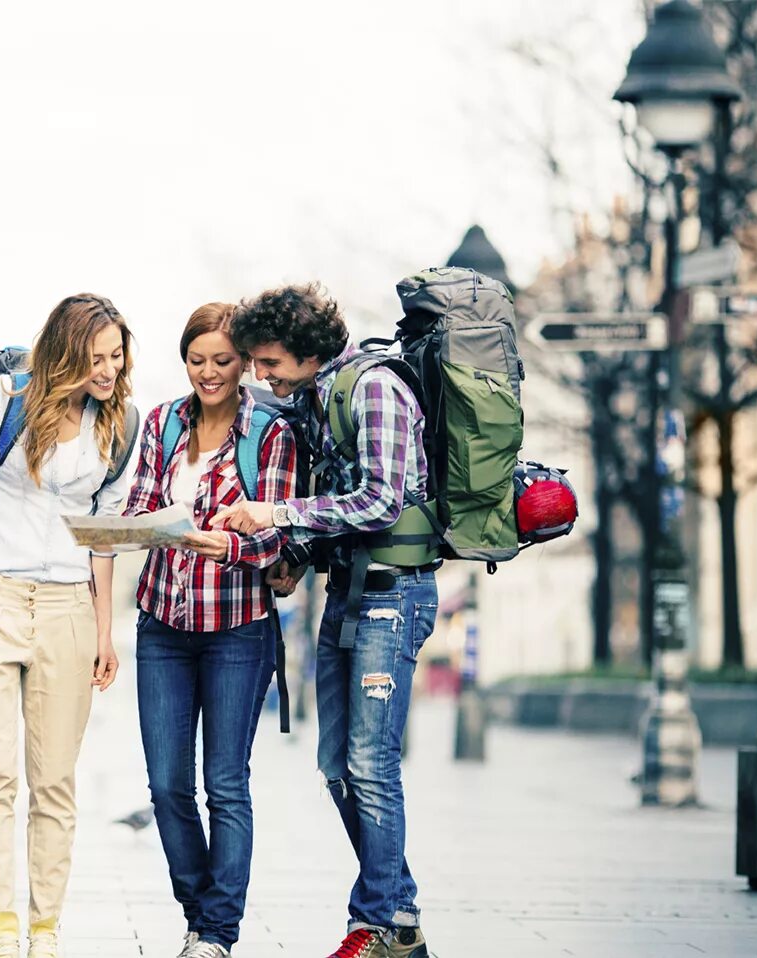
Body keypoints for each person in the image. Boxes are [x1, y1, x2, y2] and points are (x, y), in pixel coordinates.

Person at [217, 283, 438, 958]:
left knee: (370, 763)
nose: (260, 375)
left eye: (269, 361)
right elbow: (336, 506)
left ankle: (372, 925)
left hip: (394, 595)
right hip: (347, 591)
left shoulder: (372, 389)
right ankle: (399, 917)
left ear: (310, 351)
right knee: (336, 766)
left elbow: (379, 501)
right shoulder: (316, 399)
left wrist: (279, 517)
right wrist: (299, 557)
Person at [0, 294, 135, 958]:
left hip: (66, 606)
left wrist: (104, 630)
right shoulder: (5, 400)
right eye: (94, 357)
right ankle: (2, 925)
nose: (107, 370)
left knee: (54, 780)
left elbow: (102, 535)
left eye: (116, 356)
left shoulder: (120, 424)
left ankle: (46, 927)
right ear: (65, 352)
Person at [125, 303, 301, 958]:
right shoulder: (164, 422)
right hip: (163, 623)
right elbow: (140, 504)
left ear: (244, 362)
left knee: (224, 782)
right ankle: (200, 909)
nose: (208, 373)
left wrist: (227, 547)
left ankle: (217, 932)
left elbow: (281, 531)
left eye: (222, 361)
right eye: (197, 361)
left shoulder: (269, 432)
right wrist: (143, 525)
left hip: (237, 627)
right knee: (167, 784)